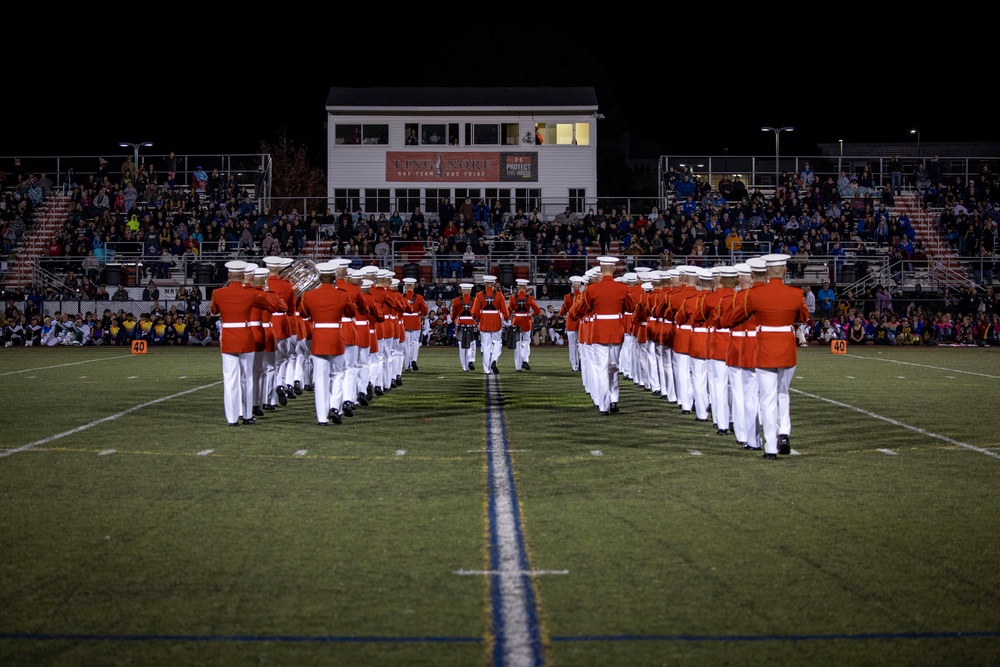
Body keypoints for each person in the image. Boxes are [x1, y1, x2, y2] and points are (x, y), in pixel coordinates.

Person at [741, 254, 810, 460]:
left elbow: (738, 315)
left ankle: (770, 446)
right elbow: (804, 317)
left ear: (767, 272)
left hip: (764, 349)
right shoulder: (796, 293)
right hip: (787, 347)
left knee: (767, 397)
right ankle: (784, 432)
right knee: (783, 393)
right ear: (785, 272)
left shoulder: (756, 295)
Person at [209, 260, 287, 427]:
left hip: (229, 339)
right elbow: (274, 306)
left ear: (229, 275)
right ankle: (247, 414)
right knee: (247, 377)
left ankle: (232, 417)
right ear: (244, 275)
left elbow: (214, 310)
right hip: (245, 338)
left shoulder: (218, 293)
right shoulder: (251, 294)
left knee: (230, 378)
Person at [570, 256, 632, 415]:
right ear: (614, 269)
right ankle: (614, 399)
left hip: (598, 331)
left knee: (601, 368)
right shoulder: (622, 288)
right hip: (616, 330)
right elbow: (629, 307)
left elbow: (583, 309)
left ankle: (604, 405)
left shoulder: (592, 289)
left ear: (601, 269)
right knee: (614, 366)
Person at [298, 261, 357, 425]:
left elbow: (303, 313)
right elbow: (351, 312)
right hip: (336, 338)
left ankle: (321, 418)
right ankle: (334, 407)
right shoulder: (342, 294)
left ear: (319, 278)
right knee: (337, 374)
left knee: (320, 378)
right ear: (333, 278)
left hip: (318, 339)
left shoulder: (309, 295)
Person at [471, 275, 510, 375]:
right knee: (497, 342)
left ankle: (487, 369)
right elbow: (504, 311)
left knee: (486, 345)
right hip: (496, 321)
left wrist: (476, 318)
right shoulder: (499, 295)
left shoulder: (479, 295)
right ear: (493, 283)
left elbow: (475, 312)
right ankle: (494, 359)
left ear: (484, 283)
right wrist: (506, 318)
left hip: (484, 321)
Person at [508, 279, 541, 371]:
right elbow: (537, 311)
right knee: (526, 341)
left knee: (517, 343)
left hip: (516, 320)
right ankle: (525, 360)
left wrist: (508, 317)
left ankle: (518, 366)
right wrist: (532, 315)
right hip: (526, 320)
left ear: (518, 287)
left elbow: (509, 310)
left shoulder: (512, 298)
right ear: (525, 287)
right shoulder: (530, 298)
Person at [400, 276, 429, 371]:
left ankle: (407, 365)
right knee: (415, 343)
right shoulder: (419, 297)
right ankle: (414, 360)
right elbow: (425, 311)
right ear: (413, 286)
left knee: (406, 344)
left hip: (404, 322)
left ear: (405, 285)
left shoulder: (401, 297)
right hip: (415, 322)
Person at [451, 282, 478, 371]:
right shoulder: (474, 300)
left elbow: (453, 314)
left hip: (460, 323)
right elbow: (477, 312)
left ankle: (465, 367)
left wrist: (453, 319)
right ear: (470, 291)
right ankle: (471, 359)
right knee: (472, 343)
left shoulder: (455, 301)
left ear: (462, 291)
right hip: (471, 322)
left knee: (461, 345)